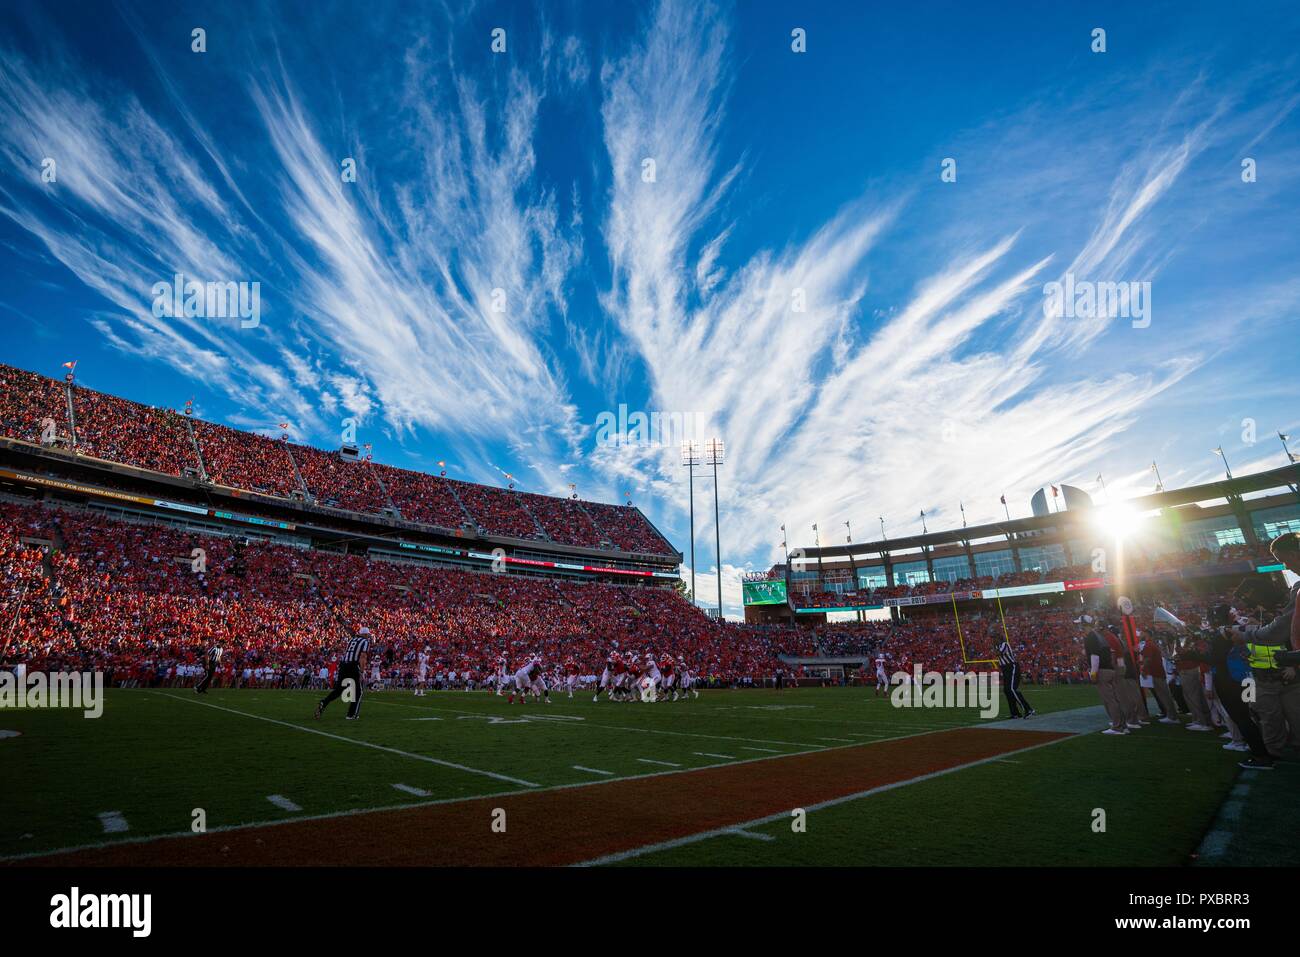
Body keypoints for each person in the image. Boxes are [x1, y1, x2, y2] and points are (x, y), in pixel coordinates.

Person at [1078, 615, 1126, 734]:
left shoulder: (1091, 637)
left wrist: (1093, 673)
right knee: (1114, 699)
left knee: (1110, 700)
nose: (1079, 626)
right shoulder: (1099, 636)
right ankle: (1121, 724)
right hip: (1109, 669)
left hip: (1102, 670)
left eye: (1080, 624)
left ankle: (1117, 726)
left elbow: (1095, 656)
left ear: (1085, 625)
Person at [315, 626, 369, 720]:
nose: (368, 636)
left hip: (344, 666)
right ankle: (351, 715)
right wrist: (361, 671)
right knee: (358, 691)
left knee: (339, 689)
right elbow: (363, 656)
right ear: (365, 634)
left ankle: (324, 702)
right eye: (367, 634)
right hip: (353, 666)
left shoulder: (352, 640)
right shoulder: (365, 642)